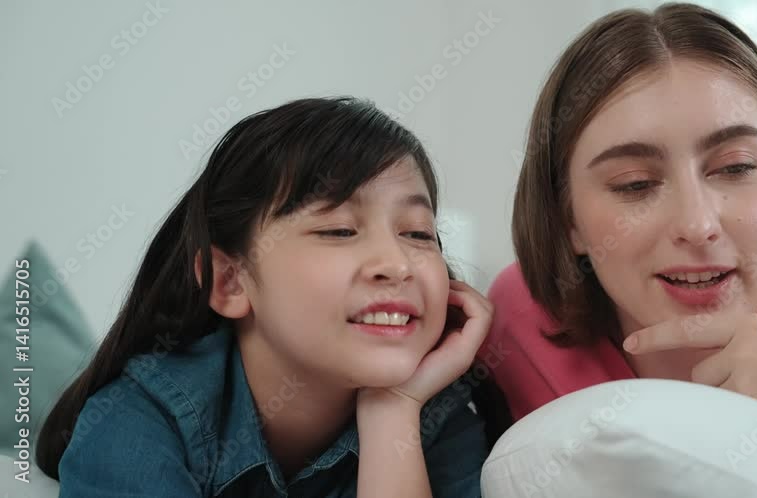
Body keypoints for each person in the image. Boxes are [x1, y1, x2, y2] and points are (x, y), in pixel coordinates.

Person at [38, 97, 493, 497]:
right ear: (230, 282)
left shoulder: (440, 424)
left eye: (418, 233)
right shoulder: (135, 424)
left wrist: (392, 409)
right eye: (339, 230)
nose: (396, 264)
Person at [482, 2, 757, 444]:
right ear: (566, 219)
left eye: (736, 167)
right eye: (635, 184)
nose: (697, 224)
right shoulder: (522, 320)